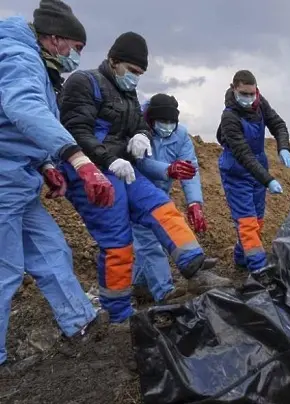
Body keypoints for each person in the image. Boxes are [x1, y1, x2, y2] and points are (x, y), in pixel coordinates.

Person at [59, 32, 232, 324]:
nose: (135, 78)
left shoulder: (127, 94)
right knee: (118, 243)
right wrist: (109, 160)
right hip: (91, 171)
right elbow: (76, 130)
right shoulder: (83, 82)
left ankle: (195, 267)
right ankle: (119, 315)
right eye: (133, 71)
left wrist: (140, 134)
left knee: (161, 206)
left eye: (140, 73)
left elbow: (139, 123)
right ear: (113, 61)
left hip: (124, 169)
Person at [0, 0, 115, 366]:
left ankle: (81, 323)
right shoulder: (18, 57)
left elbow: (22, 128)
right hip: (2, 183)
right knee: (4, 272)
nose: (76, 57)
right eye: (76, 48)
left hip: (18, 183)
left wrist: (48, 163)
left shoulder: (39, 68)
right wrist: (75, 157)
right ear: (54, 38)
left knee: (52, 251)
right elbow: (23, 108)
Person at [132, 93, 208, 303]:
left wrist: (194, 202)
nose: (167, 126)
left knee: (150, 239)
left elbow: (190, 169)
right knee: (149, 242)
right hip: (138, 192)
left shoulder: (180, 135)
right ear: (151, 119)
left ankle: (140, 285)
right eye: (162, 121)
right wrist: (168, 170)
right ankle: (164, 292)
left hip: (160, 195)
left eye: (171, 122)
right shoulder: (139, 131)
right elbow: (140, 162)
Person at [217, 70, 290, 274]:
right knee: (247, 223)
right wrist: (268, 180)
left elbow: (278, 124)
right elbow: (243, 154)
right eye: (244, 94)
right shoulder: (229, 117)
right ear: (234, 89)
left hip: (258, 165)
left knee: (257, 220)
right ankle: (259, 270)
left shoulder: (260, 103)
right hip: (237, 171)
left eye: (252, 93)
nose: (249, 99)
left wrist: (283, 146)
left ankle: (241, 259)